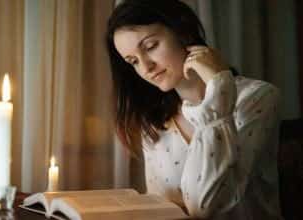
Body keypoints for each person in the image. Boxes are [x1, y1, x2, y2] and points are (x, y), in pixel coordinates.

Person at [105, 0, 283, 219]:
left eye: (151, 46)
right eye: (132, 61)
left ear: (184, 31)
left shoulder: (257, 98)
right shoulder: (154, 121)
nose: (145, 67)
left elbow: (205, 205)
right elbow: (160, 206)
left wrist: (218, 92)